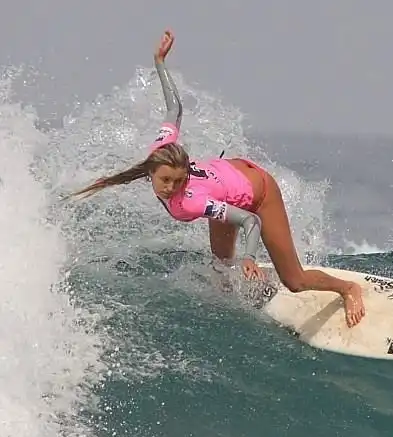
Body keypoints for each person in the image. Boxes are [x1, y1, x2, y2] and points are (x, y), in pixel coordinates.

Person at [70, 30, 366, 327]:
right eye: (165, 180)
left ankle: (347, 289)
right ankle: (258, 289)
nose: (171, 187)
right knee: (222, 270)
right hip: (227, 183)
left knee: (295, 280)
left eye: (178, 181)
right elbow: (174, 109)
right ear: (152, 171)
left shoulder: (191, 202)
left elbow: (250, 220)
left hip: (259, 192)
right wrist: (159, 61)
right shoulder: (162, 150)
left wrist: (249, 257)